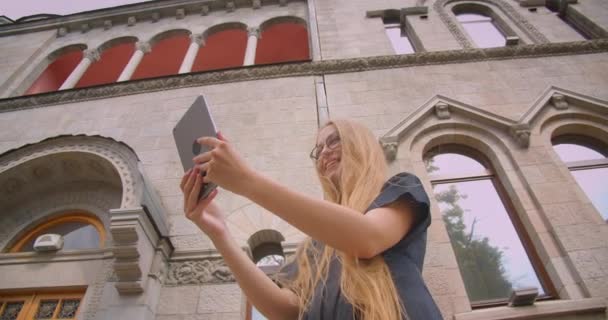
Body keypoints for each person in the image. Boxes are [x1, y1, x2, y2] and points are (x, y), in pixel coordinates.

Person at [180, 119, 443, 320]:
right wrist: (220, 234)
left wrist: (247, 181)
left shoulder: (400, 189)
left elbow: (367, 237)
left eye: (333, 141)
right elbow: (285, 309)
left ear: (361, 145)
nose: (325, 153)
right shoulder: (314, 246)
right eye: (318, 150)